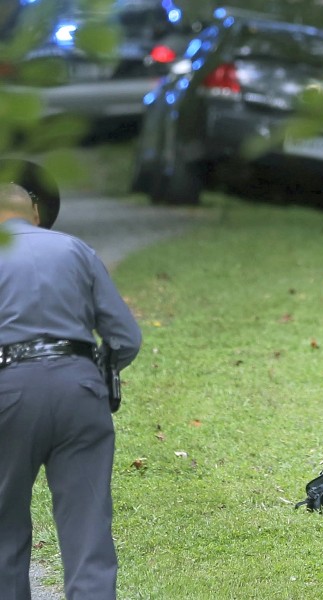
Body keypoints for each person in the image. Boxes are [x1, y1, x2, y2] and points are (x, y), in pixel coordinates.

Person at [0, 160, 142, 599]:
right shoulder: (75, 249)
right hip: (80, 389)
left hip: (7, 391)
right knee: (87, 530)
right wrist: (96, 374)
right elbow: (126, 338)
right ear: (36, 212)